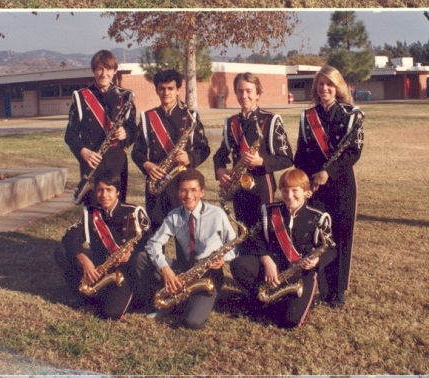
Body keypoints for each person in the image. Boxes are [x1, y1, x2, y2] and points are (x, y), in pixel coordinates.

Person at [294, 65, 364, 308]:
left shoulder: (351, 115)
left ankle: (339, 290)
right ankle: (322, 287)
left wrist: (328, 172)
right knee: (319, 235)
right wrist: (305, 182)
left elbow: (353, 152)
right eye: (320, 84)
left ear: (338, 87)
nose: (324, 88)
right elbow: (300, 154)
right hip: (315, 186)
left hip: (342, 184)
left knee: (342, 235)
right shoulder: (307, 117)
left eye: (329, 84)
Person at [230, 168, 336, 328]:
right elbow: (255, 236)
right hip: (274, 267)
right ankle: (267, 297)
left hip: (301, 272)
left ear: (306, 191)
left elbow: (331, 248)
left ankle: (276, 301)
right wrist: (267, 261)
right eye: (285, 191)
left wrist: (317, 260)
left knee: (291, 321)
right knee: (239, 265)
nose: (289, 195)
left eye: (295, 191)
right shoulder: (270, 211)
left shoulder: (318, 217)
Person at [134, 168, 238, 329]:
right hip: (185, 270)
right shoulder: (174, 216)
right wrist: (165, 268)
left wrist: (223, 259)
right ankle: (161, 304)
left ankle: (193, 301)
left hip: (208, 275)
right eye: (184, 190)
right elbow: (152, 244)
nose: (189, 196)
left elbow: (234, 245)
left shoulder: (217, 214)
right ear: (178, 193)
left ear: (202, 192)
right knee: (142, 257)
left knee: (193, 322)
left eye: (194, 190)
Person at [54, 169, 151, 320]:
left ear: (118, 192)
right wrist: (84, 260)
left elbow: (150, 240)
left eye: (109, 190)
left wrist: (132, 252)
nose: (104, 195)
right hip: (100, 267)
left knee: (110, 313)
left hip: (124, 272)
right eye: (100, 190)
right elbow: (69, 238)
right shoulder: (92, 213)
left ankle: (113, 296)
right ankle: (85, 294)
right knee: (62, 252)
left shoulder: (134, 212)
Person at [213, 72, 294, 248]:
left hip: (262, 185)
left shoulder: (271, 120)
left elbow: (287, 158)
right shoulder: (232, 122)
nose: (244, 96)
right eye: (240, 91)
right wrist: (219, 170)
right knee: (243, 232)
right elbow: (220, 154)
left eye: (249, 91)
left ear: (258, 93)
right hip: (238, 188)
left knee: (265, 229)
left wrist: (261, 161)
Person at [131, 69, 210, 231]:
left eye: (170, 88)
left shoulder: (191, 116)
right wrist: (147, 165)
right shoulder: (147, 117)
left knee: (186, 234)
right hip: (157, 182)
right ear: (157, 90)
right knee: (156, 234)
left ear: (178, 90)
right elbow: (136, 152)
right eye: (162, 88)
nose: (166, 92)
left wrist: (190, 158)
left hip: (183, 182)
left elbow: (204, 148)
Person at [65, 50, 138, 205]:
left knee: (117, 206)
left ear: (115, 70)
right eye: (99, 69)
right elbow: (70, 135)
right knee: (93, 208)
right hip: (91, 162)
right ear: (94, 70)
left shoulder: (125, 96)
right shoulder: (81, 97)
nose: (104, 74)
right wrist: (82, 151)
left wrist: (126, 133)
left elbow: (133, 129)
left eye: (108, 69)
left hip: (117, 161)